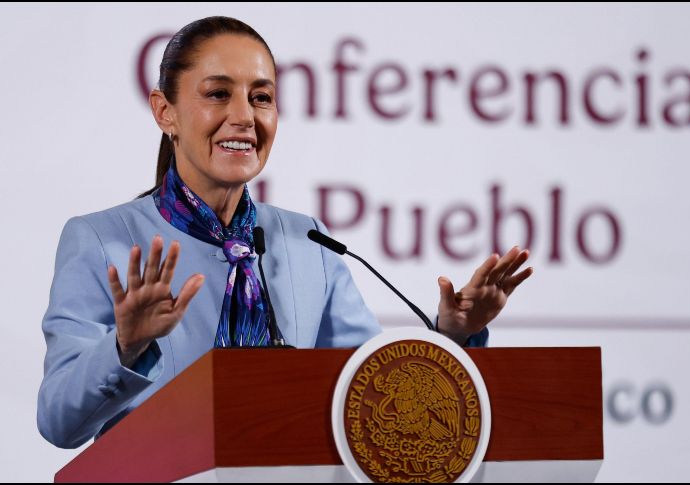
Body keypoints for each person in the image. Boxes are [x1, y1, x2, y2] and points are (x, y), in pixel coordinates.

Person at [37, 16, 533, 449]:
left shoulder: (308, 242)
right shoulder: (101, 239)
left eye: (261, 97)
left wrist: (455, 335)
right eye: (217, 94)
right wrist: (126, 348)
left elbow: (371, 396)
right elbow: (59, 423)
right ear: (165, 111)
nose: (244, 117)